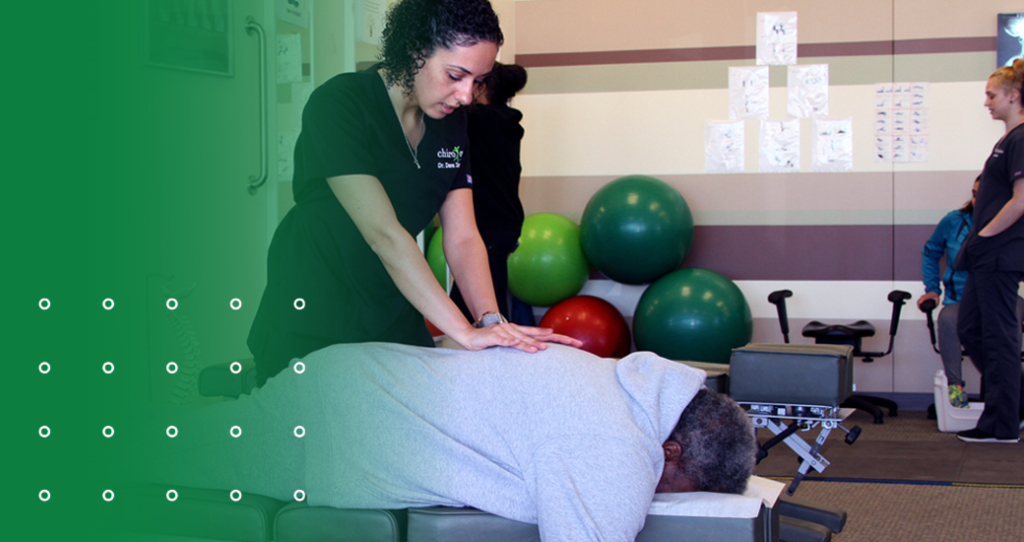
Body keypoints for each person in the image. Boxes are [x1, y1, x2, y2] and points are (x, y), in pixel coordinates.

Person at [246, 0, 578, 386]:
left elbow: (463, 236)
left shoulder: (451, 124)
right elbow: (384, 235)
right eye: (455, 75)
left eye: (478, 81)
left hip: (390, 298)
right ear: (414, 50)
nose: (466, 95)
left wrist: (490, 321)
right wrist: (463, 332)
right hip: (318, 296)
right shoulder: (340, 104)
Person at [134, 343, 756, 541]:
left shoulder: (625, 382)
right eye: (676, 488)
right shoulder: (616, 443)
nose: (661, 495)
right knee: (162, 454)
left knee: (180, 439)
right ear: (671, 452)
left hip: (353, 382)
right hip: (344, 423)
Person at [952, 59, 1024, 444]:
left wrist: (984, 235)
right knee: (971, 328)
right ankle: (1015, 405)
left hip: (999, 254)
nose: (986, 102)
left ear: (1014, 96)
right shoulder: (1006, 140)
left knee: (999, 338)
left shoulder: (1021, 138)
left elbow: (1021, 201)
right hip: (987, 255)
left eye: (991, 95)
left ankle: (1002, 424)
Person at [449, 62, 528, 321]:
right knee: (470, 302)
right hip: (503, 224)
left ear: (484, 88)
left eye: (474, 82)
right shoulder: (505, 123)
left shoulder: (478, 120)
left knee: (488, 310)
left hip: (489, 226)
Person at [918, 179, 978, 407]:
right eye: (974, 194)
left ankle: (1009, 391)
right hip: (960, 299)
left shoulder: (1014, 220)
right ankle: (955, 388)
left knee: (1009, 320)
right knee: (948, 318)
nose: (977, 199)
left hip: (1000, 298)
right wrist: (932, 289)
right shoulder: (955, 221)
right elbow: (930, 252)